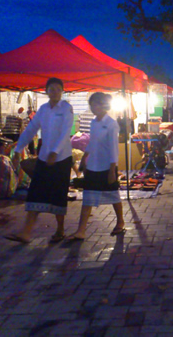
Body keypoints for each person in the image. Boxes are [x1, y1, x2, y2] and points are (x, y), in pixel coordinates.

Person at [5, 78, 74, 244]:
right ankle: (26, 232)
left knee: (58, 194)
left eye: (58, 89)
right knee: (35, 192)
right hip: (44, 158)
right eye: (52, 89)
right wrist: (18, 149)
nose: (55, 92)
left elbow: (66, 132)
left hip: (62, 158)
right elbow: (31, 130)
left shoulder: (66, 108)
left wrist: (55, 151)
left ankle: (60, 230)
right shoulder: (43, 109)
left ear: (62, 91)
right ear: (46, 91)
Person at [67, 93, 124, 240]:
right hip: (93, 165)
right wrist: (85, 157)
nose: (93, 107)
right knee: (87, 197)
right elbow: (92, 142)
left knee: (113, 195)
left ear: (104, 105)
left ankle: (120, 221)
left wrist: (112, 170)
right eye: (92, 105)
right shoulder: (94, 122)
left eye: (96, 104)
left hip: (107, 165)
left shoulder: (111, 124)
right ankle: (81, 230)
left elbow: (114, 148)